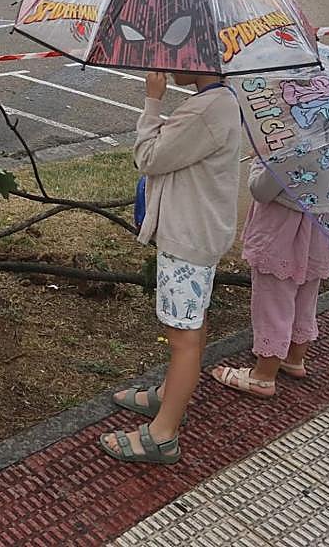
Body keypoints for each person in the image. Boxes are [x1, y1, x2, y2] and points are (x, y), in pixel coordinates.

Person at [99, 71, 241, 464]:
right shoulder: (217, 101)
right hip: (197, 237)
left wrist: (153, 101)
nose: (167, 63)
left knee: (183, 338)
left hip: (188, 241)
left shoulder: (207, 109)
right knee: (191, 326)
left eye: (176, 53)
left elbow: (148, 158)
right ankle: (168, 395)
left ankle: (162, 435)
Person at [208, 160, 329, 396]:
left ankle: (264, 376)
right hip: (323, 229)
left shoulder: (295, 142)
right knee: (306, 296)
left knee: (273, 302)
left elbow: (262, 190)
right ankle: (294, 357)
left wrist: (260, 161)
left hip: (281, 233)